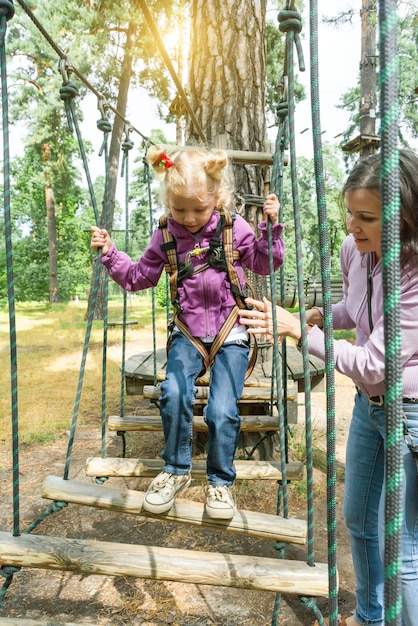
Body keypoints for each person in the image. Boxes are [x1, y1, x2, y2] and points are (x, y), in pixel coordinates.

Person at [239, 149, 418, 626]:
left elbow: (374, 364)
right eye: (349, 214)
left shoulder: (415, 274)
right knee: (359, 521)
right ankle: (369, 616)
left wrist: (300, 333)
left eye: (367, 218)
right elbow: (356, 311)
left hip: (411, 411)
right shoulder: (353, 249)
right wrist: (315, 317)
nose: (354, 227)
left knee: (403, 549)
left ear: (404, 218)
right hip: (370, 406)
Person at [91, 145, 285, 520]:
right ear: (168, 201)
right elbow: (138, 277)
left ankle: (220, 483)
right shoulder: (165, 235)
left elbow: (266, 262)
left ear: (218, 197)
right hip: (188, 330)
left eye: (200, 208)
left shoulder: (234, 227)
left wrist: (270, 229)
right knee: (174, 393)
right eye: (180, 209)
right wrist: (112, 253)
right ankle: (175, 470)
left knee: (222, 409)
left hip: (231, 330)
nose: (190, 217)